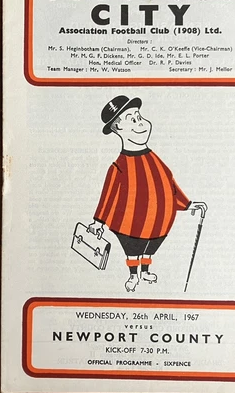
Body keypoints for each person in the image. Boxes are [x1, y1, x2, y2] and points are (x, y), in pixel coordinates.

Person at [88, 95, 207, 292]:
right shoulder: (119, 166)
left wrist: (188, 204)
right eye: (133, 120)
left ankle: (145, 271)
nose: (141, 123)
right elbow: (108, 196)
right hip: (130, 225)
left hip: (160, 224)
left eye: (140, 117)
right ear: (118, 128)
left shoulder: (155, 160)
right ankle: (133, 275)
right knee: (133, 249)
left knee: (149, 248)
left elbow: (170, 184)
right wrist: (98, 222)